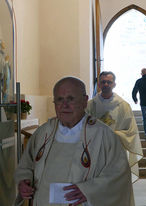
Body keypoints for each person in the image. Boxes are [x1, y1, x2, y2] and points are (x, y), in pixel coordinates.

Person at [14, 77, 131, 206]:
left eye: (71, 99)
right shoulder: (43, 133)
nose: (65, 105)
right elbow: (26, 165)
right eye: (59, 99)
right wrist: (23, 181)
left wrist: (90, 190)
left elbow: (119, 175)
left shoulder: (104, 135)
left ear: (85, 101)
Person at [86, 71, 143, 206]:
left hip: (116, 155)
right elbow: (83, 130)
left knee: (117, 191)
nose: (106, 84)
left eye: (109, 82)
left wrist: (112, 134)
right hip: (95, 155)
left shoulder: (123, 106)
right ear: (99, 84)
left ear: (114, 84)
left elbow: (130, 132)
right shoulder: (90, 105)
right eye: (103, 81)